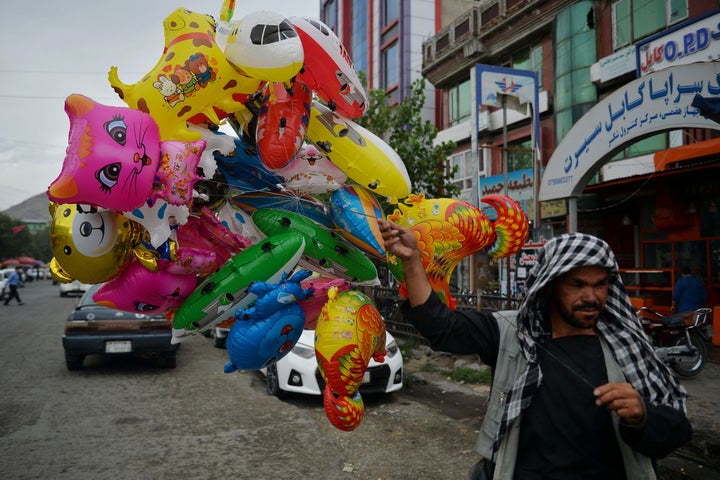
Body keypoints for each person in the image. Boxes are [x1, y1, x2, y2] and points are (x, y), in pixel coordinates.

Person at [379, 219, 691, 480]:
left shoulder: (625, 345)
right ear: (550, 286)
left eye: (600, 284)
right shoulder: (513, 333)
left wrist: (641, 414)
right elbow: (441, 327)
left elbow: (677, 430)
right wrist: (412, 261)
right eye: (577, 284)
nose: (591, 296)